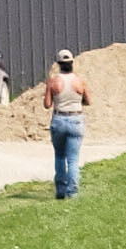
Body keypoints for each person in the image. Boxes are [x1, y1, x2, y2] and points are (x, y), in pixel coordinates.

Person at [42, 49, 91, 199]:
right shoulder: (79, 81)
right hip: (76, 119)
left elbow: (47, 104)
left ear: (59, 64)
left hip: (59, 119)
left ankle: (61, 190)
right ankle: (73, 192)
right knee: (73, 159)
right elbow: (88, 101)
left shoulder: (53, 81)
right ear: (71, 63)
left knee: (60, 156)